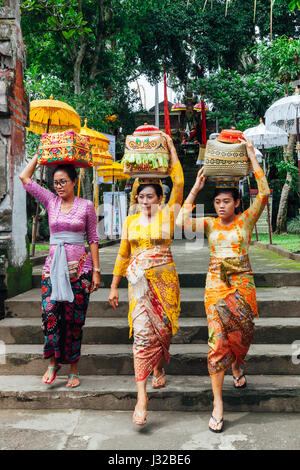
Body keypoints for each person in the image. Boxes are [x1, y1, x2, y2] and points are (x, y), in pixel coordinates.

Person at [176, 137, 270, 433]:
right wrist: (195, 189)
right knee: (217, 343)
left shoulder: (245, 220)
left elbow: (265, 192)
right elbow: (180, 221)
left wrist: (252, 156)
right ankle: (218, 403)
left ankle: (238, 363)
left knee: (244, 335)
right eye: (217, 202)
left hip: (242, 286)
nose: (220, 206)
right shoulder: (209, 225)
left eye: (225, 201)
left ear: (237, 202)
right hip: (215, 288)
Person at [108, 133, 184, 426]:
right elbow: (123, 254)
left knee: (163, 332)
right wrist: (114, 285)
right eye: (140, 197)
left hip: (165, 283)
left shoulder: (168, 213)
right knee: (141, 334)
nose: (144, 201)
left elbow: (178, 181)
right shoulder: (131, 221)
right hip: (138, 285)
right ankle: (141, 396)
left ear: (159, 197)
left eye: (149, 196)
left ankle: (159, 367)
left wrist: (171, 146)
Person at [19, 157, 100, 388]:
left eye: (63, 181)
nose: (59, 186)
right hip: (52, 271)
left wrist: (96, 271)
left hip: (80, 271)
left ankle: (73, 368)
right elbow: (24, 177)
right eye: (55, 182)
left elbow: (93, 238)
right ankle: (53, 363)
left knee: (75, 320)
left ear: (75, 181)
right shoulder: (50, 201)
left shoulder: (86, 206)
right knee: (50, 316)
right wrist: (40, 155)